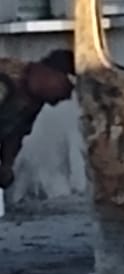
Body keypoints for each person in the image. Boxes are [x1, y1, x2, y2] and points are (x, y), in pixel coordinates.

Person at [0, 50, 75, 191]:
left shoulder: (33, 100)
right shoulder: (7, 79)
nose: (67, 97)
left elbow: (15, 134)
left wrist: (6, 166)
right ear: (52, 75)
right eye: (67, 88)